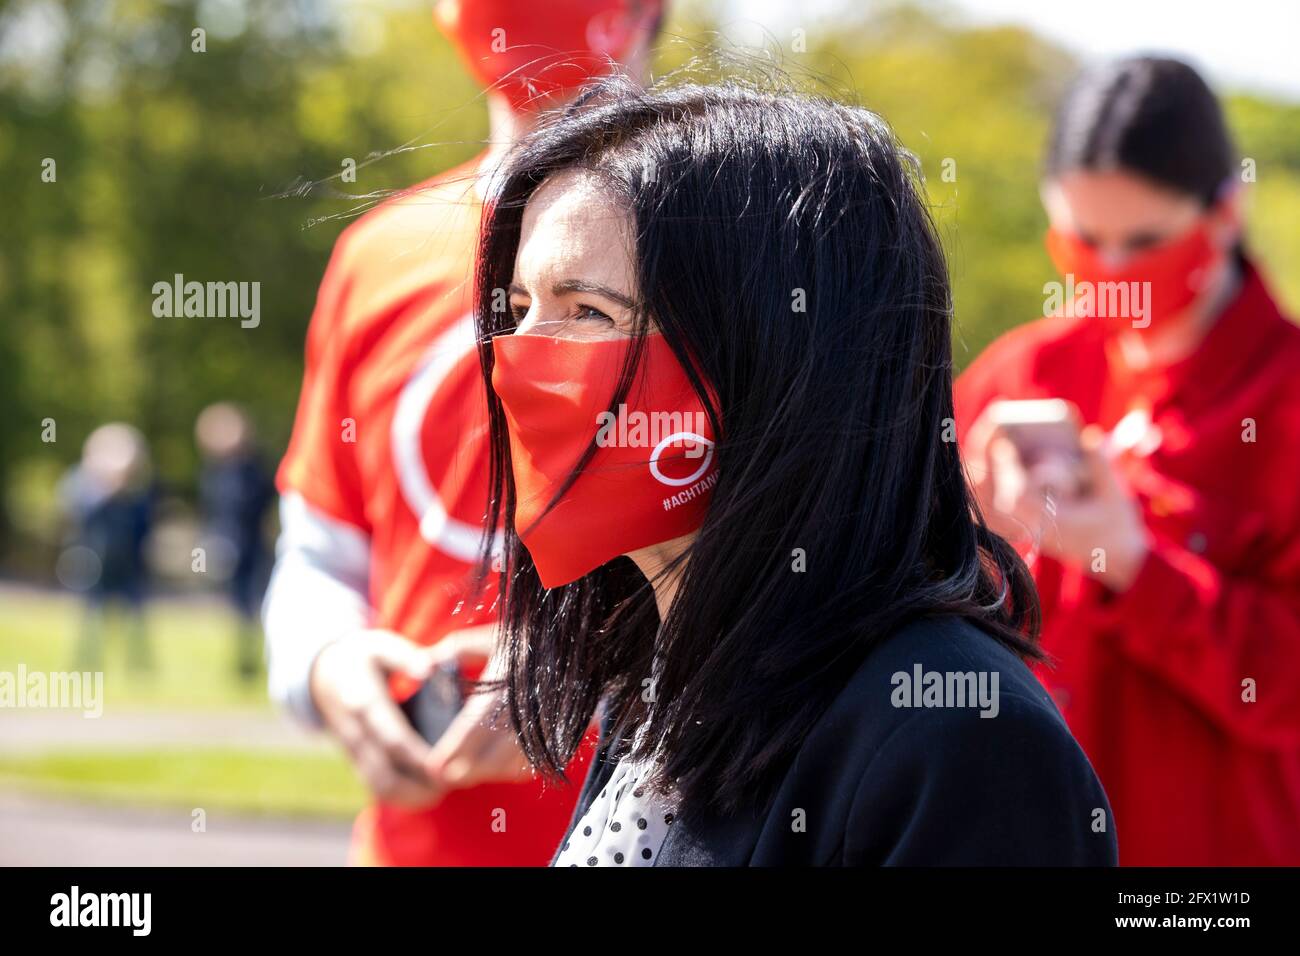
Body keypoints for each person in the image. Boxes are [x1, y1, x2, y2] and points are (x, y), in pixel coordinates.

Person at [471, 79, 1118, 866]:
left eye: (588, 312)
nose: (519, 363)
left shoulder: (959, 743)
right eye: (518, 308)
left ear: (781, 358)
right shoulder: (668, 677)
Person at [263, 0, 665, 866]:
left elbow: (806, 566)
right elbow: (319, 552)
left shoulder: (745, 245)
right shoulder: (378, 254)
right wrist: (330, 664)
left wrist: (587, 672)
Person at [955, 56, 1300, 865]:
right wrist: (969, 538)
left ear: (1224, 211)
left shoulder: (1283, 401)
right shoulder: (1019, 374)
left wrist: (1136, 566)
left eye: (1144, 241)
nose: (1112, 272)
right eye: (1084, 241)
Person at [59, 423, 155, 673]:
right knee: (90, 617)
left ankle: (139, 667)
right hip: (93, 562)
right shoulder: (83, 484)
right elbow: (78, 513)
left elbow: (144, 525)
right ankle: (85, 664)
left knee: (135, 617)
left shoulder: (137, 491)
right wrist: (106, 489)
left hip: (127, 564)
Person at [196, 402, 275, 680]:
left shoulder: (253, 470)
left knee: (260, 602)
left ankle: (259, 657)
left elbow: (260, 502)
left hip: (253, 545)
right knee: (236, 605)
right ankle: (242, 661)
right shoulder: (215, 473)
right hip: (228, 545)